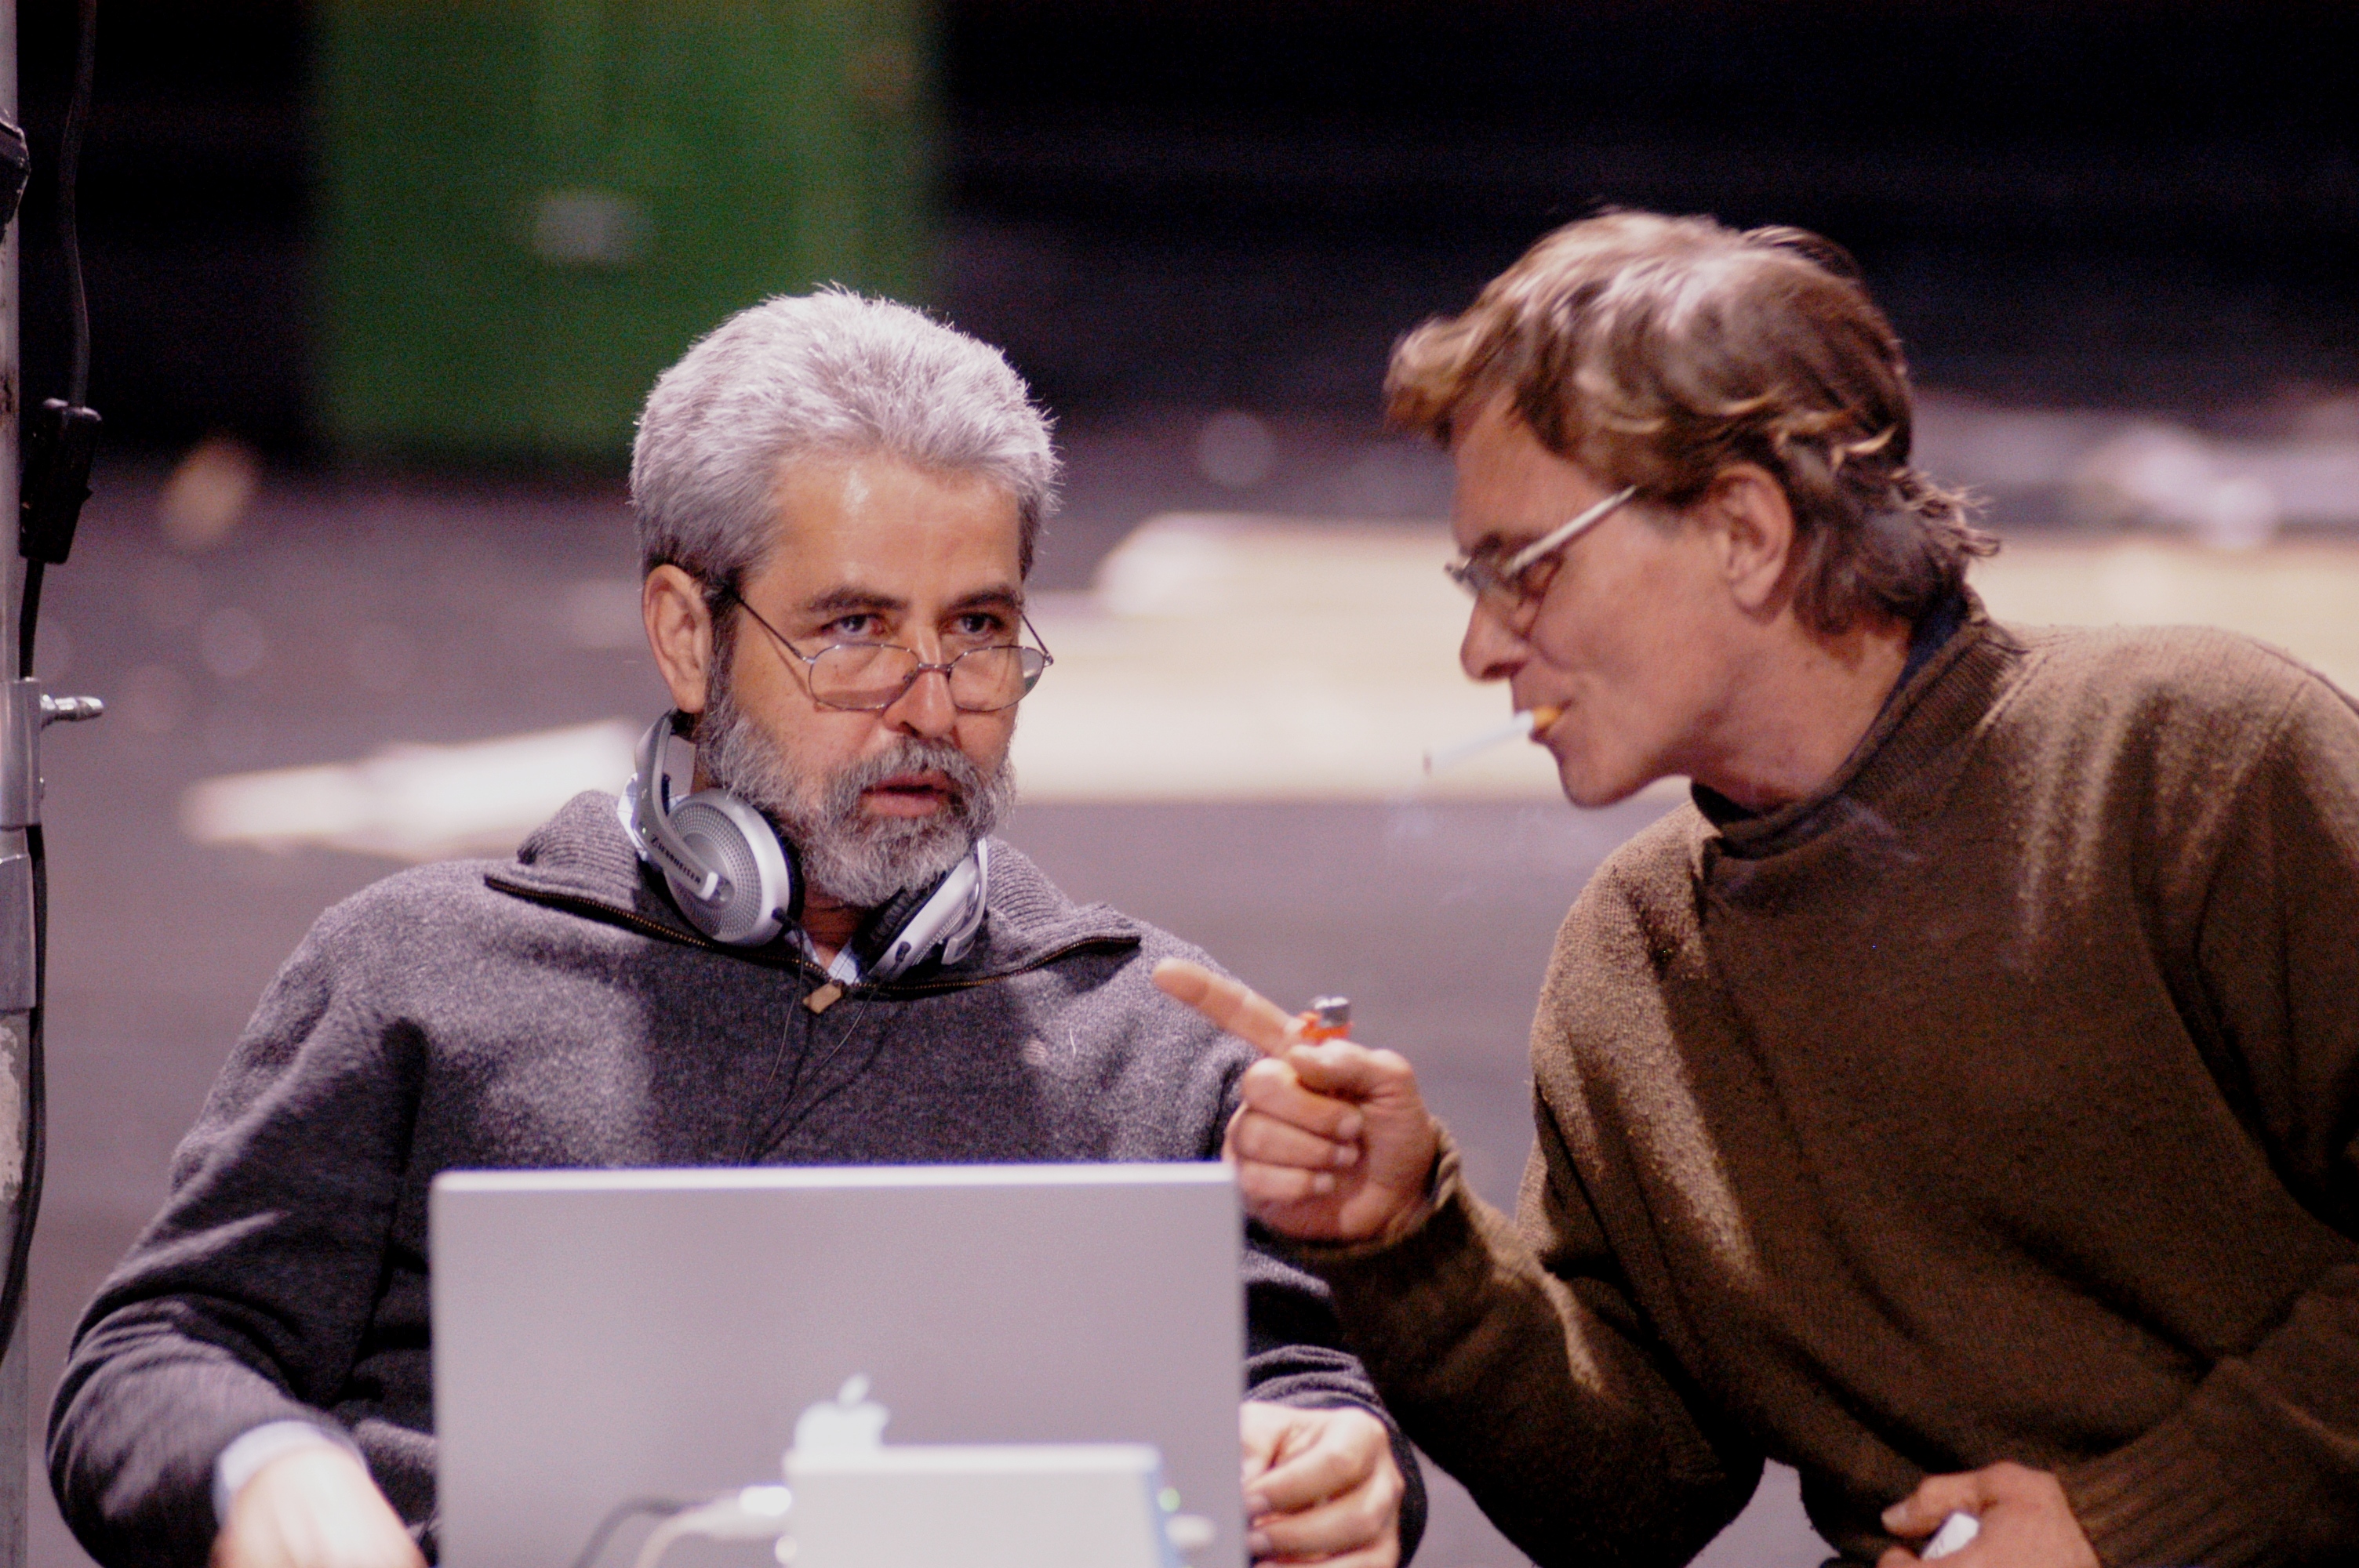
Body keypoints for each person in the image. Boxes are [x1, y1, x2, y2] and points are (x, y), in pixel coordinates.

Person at [49, 292, 1420, 1568]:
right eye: (854, 629)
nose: (933, 704)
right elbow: (153, 1357)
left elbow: (1308, 1398)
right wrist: (262, 1461)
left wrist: (1347, 1469)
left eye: (982, 629)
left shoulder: (1156, 1038)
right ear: (686, 636)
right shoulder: (420, 971)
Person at [1158, 212, 2359, 1568]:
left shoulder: (2191, 759)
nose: (1483, 644)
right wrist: (1404, 1238)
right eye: (1473, 579)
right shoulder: (1639, 957)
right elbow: (1637, 1494)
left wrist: (2132, 1530)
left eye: (1527, 570)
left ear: (1742, 530)